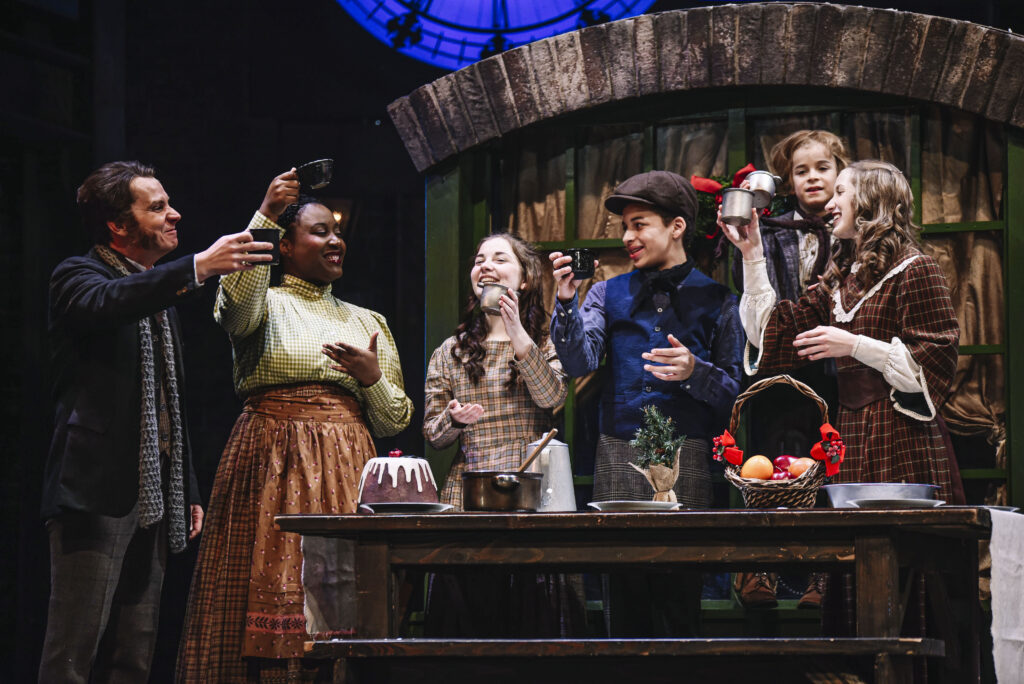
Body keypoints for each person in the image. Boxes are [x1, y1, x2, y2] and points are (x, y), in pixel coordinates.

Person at [177, 171, 414, 682]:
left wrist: (371, 378)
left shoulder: (367, 319)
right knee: (268, 586)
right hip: (274, 460)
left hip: (349, 464)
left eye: (337, 231)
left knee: (347, 599)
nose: (335, 240)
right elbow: (236, 309)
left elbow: (393, 419)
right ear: (283, 246)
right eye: (319, 231)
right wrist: (263, 215)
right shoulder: (264, 303)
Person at [39, 160, 271, 683]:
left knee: (135, 653)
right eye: (158, 207)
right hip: (96, 491)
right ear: (118, 226)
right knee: (72, 653)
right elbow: (109, 303)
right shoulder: (79, 277)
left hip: (155, 494)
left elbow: (170, 403)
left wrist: (185, 485)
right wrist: (199, 267)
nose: (175, 215)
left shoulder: (159, 299)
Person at [549, 170, 743, 636]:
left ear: (677, 226)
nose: (627, 237)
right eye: (624, 227)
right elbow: (578, 361)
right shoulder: (605, 291)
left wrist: (697, 372)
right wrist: (565, 302)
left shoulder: (719, 299)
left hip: (688, 456)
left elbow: (736, 394)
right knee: (623, 592)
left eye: (639, 224)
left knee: (680, 594)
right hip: (619, 453)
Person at [721, 159, 961, 500]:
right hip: (850, 429)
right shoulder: (841, 281)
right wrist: (752, 252)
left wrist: (854, 345)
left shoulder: (916, 269)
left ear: (869, 200)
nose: (830, 205)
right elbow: (774, 333)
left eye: (841, 193)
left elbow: (932, 365)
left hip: (901, 433)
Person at [422, 232, 582, 636]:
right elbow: (433, 435)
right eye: (479, 259)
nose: (485, 265)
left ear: (524, 279)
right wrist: (454, 420)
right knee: (469, 616)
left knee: (529, 614)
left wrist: (517, 333)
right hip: (469, 490)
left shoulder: (545, 341)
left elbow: (551, 397)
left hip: (530, 486)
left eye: (499, 259)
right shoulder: (450, 351)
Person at [730, 130, 849, 609]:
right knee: (769, 464)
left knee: (828, 465)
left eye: (823, 167)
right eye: (802, 171)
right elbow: (756, 295)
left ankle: (823, 576)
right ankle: (762, 570)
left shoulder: (851, 231)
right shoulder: (773, 229)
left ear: (841, 173)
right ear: (788, 181)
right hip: (781, 365)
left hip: (837, 370)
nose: (813, 178)